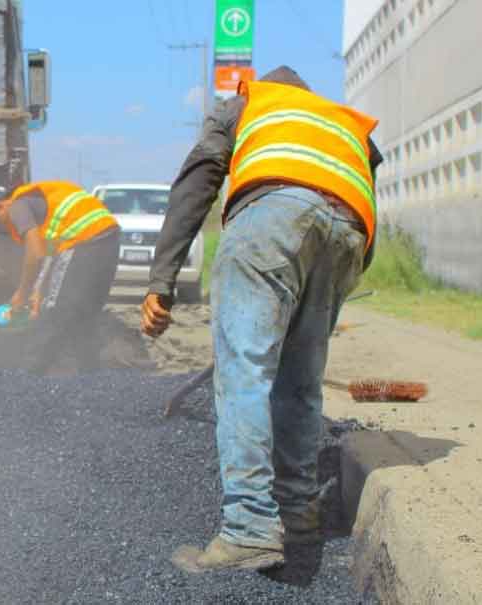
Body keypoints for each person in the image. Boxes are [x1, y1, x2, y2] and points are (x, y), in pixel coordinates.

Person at [141, 66, 382, 572]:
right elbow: (366, 177)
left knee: (246, 371)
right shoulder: (337, 119)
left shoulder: (246, 103)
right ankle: (296, 516)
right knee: (300, 380)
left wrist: (162, 280)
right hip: (350, 232)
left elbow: (197, 182)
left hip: (273, 216)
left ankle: (249, 527)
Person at [0, 181, 121, 374]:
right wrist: (38, 292)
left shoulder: (17, 205)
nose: (6, 227)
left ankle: (25, 378)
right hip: (107, 238)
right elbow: (50, 254)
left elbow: (35, 253)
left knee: (55, 314)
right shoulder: (49, 209)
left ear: (0, 206)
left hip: (84, 241)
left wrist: (22, 293)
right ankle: (91, 380)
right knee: (84, 315)